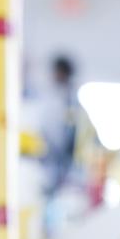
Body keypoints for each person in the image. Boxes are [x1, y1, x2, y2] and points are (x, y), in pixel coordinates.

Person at [39, 54, 77, 194]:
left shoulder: (70, 101)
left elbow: (70, 133)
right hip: (47, 158)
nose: (54, 75)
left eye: (57, 72)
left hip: (61, 160)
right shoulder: (49, 95)